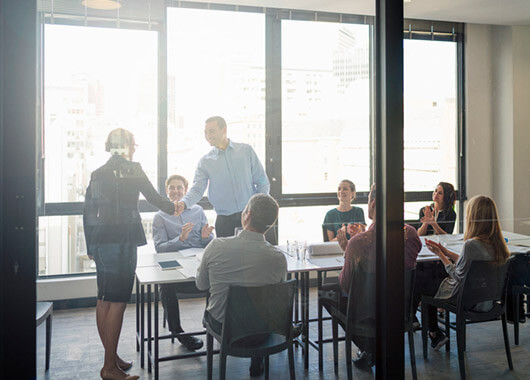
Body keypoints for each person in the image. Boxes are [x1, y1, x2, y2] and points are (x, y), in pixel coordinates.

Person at [83, 129, 177, 380]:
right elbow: (156, 199)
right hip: (122, 242)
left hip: (101, 242)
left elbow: (88, 212)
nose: (135, 148)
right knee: (118, 303)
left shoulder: (98, 173)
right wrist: (176, 207)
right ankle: (109, 368)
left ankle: (111, 358)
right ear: (126, 147)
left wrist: (90, 245)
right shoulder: (132, 169)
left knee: (104, 300)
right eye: (133, 144)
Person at [319, 184, 422, 368]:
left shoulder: (358, 243)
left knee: (325, 292)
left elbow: (347, 285)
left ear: (373, 203)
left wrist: (347, 251)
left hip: (368, 314)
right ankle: (374, 346)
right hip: (399, 310)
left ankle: (369, 345)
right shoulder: (411, 234)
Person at [195, 194, 287, 377]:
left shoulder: (216, 247)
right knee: (258, 308)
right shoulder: (278, 258)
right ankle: (257, 361)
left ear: (247, 214)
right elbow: (278, 295)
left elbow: (201, 284)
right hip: (263, 330)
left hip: (224, 327)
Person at [421, 195, 510, 351]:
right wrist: (445, 251)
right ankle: (434, 333)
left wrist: (441, 256)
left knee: (426, 285)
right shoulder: (498, 244)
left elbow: (459, 276)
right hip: (487, 301)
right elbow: (467, 264)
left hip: (468, 300)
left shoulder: (471, 245)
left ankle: (433, 332)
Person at [175, 116, 270, 237]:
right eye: (206, 132)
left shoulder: (246, 151)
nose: (208, 136)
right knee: (227, 256)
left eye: (212, 131)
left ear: (224, 129)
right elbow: (197, 189)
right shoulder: (205, 161)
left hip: (250, 217)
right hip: (224, 221)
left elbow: (262, 181)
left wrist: (261, 208)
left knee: (253, 255)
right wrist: (184, 203)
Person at [152, 174, 214, 351]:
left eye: (179, 188)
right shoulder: (160, 216)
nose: (176, 191)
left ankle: (210, 323)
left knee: (218, 282)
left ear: (186, 191)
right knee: (166, 288)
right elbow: (160, 249)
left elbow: (208, 243)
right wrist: (180, 238)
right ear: (167, 191)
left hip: (197, 267)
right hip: (175, 268)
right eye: (172, 188)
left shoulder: (198, 211)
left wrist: (206, 237)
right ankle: (178, 333)